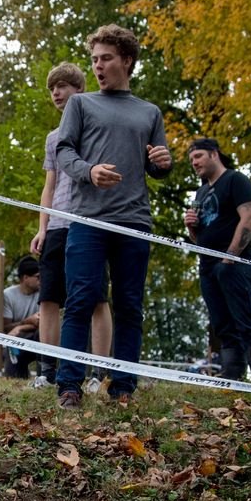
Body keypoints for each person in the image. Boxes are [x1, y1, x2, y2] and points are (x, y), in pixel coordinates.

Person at [54, 24, 172, 408]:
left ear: (127, 60)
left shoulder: (150, 112)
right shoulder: (81, 104)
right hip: (88, 219)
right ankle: (69, 385)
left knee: (129, 305)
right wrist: (89, 171)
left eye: (106, 59)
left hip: (135, 220)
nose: (99, 66)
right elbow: (64, 153)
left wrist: (163, 162)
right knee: (81, 300)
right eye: (94, 60)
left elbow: (157, 165)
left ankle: (123, 388)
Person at [29, 62, 112, 389]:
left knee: (95, 299)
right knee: (49, 298)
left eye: (62, 86)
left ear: (80, 90)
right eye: (52, 89)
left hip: (91, 224)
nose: (56, 93)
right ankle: (47, 371)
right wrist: (42, 227)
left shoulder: (97, 129)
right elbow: (49, 185)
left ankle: (98, 373)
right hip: (57, 227)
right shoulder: (53, 138)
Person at [183, 137, 251, 380]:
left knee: (244, 319)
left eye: (198, 156)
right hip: (207, 266)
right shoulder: (201, 190)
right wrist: (191, 227)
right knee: (222, 324)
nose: (194, 163)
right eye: (191, 160)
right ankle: (232, 376)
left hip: (234, 263)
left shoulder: (235, 180)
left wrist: (230, 258)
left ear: (214, 154)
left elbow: (249, 217)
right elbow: (200, 237)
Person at [1, 256, 42, 378]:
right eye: (38, 277)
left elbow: (42, 324)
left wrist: (20, 328)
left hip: (36, 336)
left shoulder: (43, 293)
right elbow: (7, 328)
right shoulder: (8, 295)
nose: (41, 280)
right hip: (16, 340)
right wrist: (28, 321)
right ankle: (14, 381)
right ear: (25, 278)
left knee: (44, 336)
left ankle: (45, 377)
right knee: (12, 346)